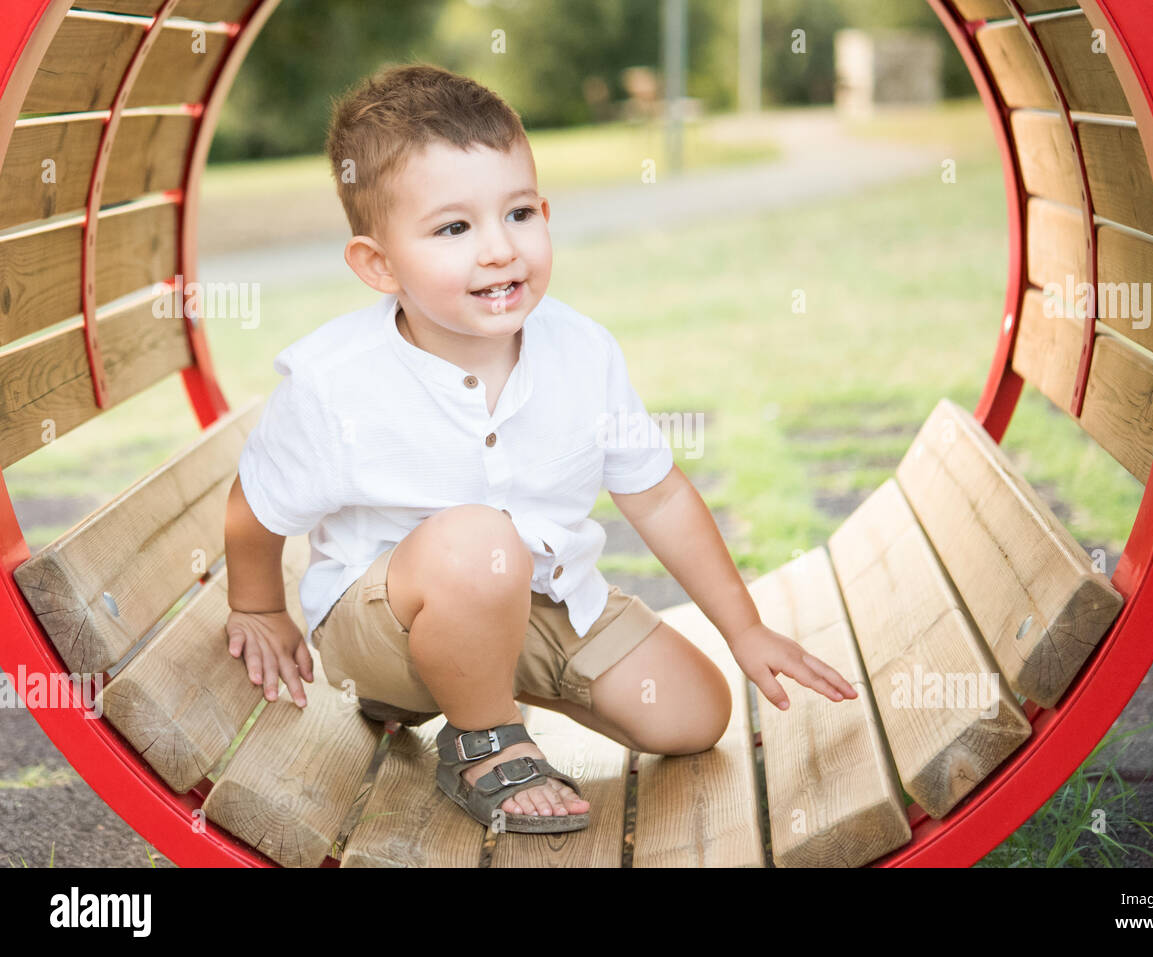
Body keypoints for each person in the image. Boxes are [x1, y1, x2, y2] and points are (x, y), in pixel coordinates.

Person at [223, 63, 857, 835]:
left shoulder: (582, 352)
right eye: (455, 228)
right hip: (380, 631)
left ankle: (495, 679)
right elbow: (253, 505)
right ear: (378, 264)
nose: (499, 249)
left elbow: (657, 495)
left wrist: (744, 627)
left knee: (694, 715)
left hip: (532, 599)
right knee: (477, 538)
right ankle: (483, 738)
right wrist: (257, 605)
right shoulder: (336, 381)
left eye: (518, 213)